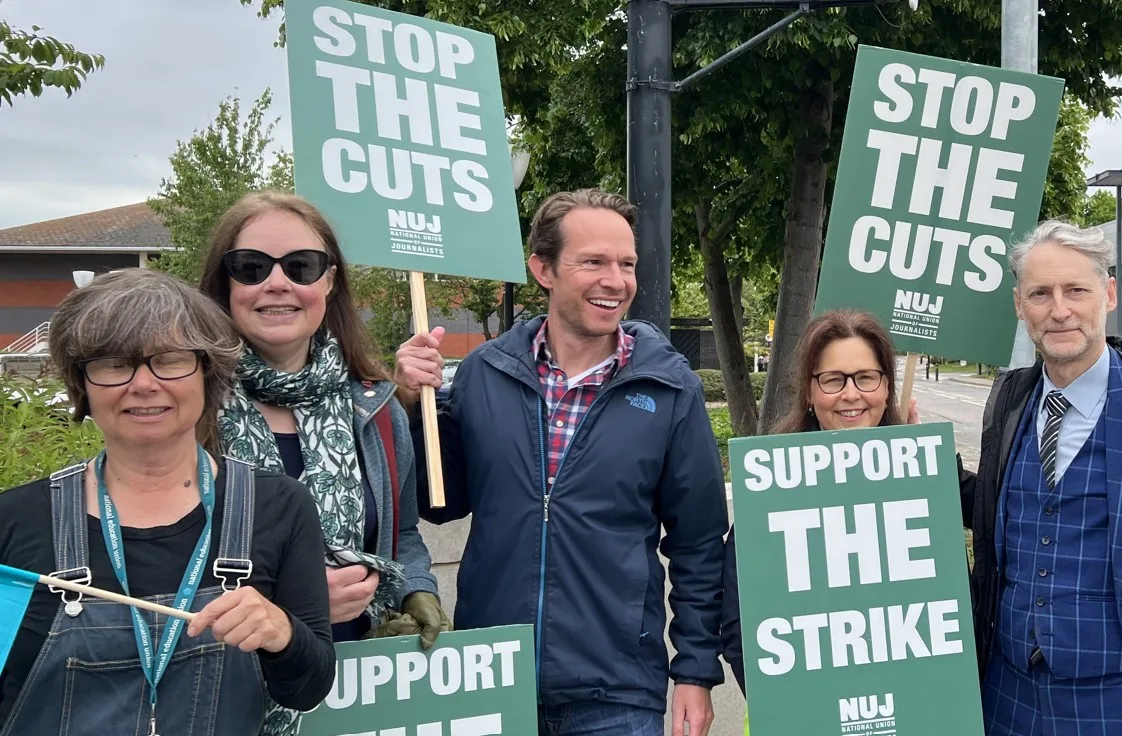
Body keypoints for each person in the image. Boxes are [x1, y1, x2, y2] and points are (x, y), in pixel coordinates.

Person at [395, 188, 729, 736]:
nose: (616, 281)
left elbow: (699, 542)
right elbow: (441, 502)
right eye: (593, 261)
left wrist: (695, 671)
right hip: (491, 676)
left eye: (626, 264)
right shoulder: (484, 373)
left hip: (617, 694)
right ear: (542, 269)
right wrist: (413, 407)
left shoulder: (670, 389)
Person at [0, 269, 336, 735]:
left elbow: (309, 688)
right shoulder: (14, 520)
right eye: (114, 364)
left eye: (170, 359)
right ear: (84, 384)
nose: (142, 384)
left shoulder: (276, 506)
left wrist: (283, 633)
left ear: (207, 374)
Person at [199, 193, 451, 732]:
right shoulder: (188, 408)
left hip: (357, 695)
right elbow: (159, 567)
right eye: (251, 267)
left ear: (329, 282)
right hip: (227, 697)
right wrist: (300, 605)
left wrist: (417, 589)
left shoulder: (375, 407)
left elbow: (400, 535)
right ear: (224, 283)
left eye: (300, 266)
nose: (277, 283)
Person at [962, 221, 1122, 735]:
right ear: (1018, 305)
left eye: (1076, 290)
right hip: (1005, 690)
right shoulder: (1009, 400)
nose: (1059, 310)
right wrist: (916, 458)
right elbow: (993, 508)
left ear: (1109, 294)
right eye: (1040, 293)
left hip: (1109, 697)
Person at [719, 308, 913, 693]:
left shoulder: (919, 485)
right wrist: (794, 710)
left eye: (866, 377)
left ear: (887, 387)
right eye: (833, 380)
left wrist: (920, 459)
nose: (851, 393)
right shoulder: (772, 491)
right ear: (809, 391)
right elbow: (740, 622)